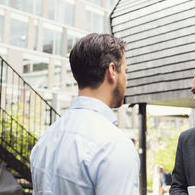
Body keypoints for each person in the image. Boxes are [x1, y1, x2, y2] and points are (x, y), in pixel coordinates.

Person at [30, 33, 139, 195]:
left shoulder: (45, 140)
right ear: (112, 71)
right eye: (125, 71)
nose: (126, 80)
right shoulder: (114, 145)